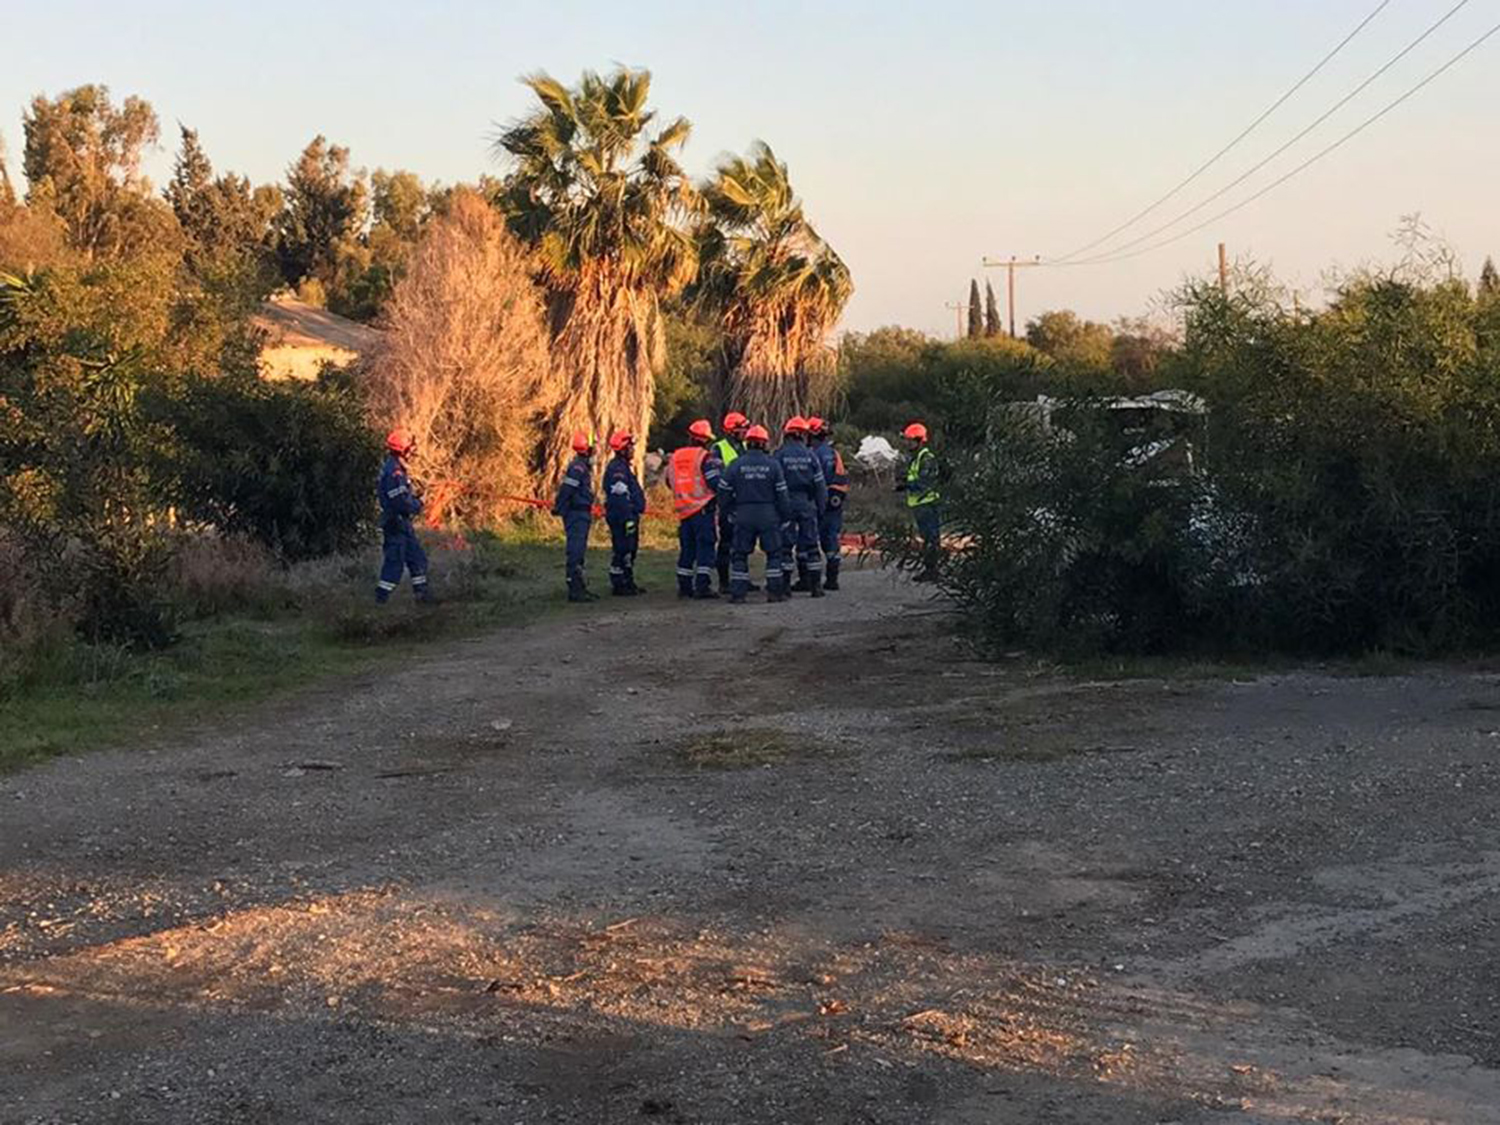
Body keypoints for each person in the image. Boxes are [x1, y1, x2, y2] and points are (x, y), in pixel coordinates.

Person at [719, 424, 791, 603]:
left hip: (743, 514)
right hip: (768, 515)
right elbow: (782, 495)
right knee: (774, 554)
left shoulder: (736, 465)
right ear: (764, 444)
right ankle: (775, 593)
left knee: (739, 555)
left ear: (748, 443)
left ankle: (738, 595)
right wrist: (785, 516)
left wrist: (728, 511)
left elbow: (723, 491)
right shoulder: (773, 465)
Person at [668, 419, 723, 599]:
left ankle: (684, 587)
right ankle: (702, 586)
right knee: (705, 548)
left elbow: (669, 481)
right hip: (703, 508)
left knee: (687, 549)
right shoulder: (705, 457)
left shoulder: (675, 456)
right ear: (706, 439)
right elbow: (714, 481)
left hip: (684, 510)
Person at [376, 428, 432, 604]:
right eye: (411, 448)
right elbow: (400, 502)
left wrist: (415, 498)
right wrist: (419, 503)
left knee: (418, 560)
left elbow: (403, 498)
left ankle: (422, 597)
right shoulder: (394, 472)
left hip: (403, 525)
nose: (413, 451)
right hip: (395, 524)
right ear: (403, 449)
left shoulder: (397, 468)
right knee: (394, 565)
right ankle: (380, 601)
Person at [774, 416, 828, 597]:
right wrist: (821, 508)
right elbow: (820, 485)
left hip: (786, 504)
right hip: (807, 503)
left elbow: (773, 484)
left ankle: (785, 587)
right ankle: (816, 587)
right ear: (801, 435)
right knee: (812, 545)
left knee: (785, 547)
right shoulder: (810, 455)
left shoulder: (779, 454)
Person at [553, 432, 598, 603]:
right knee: (576, 551)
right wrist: (560, 507)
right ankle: (575, 590)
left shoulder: (581, 467)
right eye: (593, 449)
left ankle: (580, 587)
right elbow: (567, 490)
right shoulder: (578, 468)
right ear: (586, 449)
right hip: (576, 514)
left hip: (581, 513)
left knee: (580, 552)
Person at [808, 417, 849, 591]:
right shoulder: (832, 452)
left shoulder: (816, 453)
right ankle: (832, 579)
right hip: (835, 500)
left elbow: (817, 480)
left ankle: (812, 580)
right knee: (830, 538)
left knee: (811, 538)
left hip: (822, 500)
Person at [603, 431, 647, 596]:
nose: (632, 450)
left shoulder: (623, 468)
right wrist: (628, 519)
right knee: (622, 549)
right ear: (622, 449)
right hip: (622, 516)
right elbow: (620, 497)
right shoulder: (618, 470)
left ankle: (628, 582)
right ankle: (619, 584)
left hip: (627, 515)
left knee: (630, 549)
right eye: (630, 447)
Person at [712, 411, 751, 594]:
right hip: (728, 502)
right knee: (726, 543)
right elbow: (717, 477)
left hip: (744, 502)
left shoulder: (745, 447)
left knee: (743, 543)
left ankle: (742, 578)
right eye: (742, 428)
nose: (745, 431)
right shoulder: (718, 448)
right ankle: (724, 582)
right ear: (731, 430)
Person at [898, 421, 942, 582]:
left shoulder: (926, 458)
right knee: (928, 538)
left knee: (931, 538)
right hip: (920, 504)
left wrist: (906, 485)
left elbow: (924, 482)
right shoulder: (917, 458)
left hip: (927, 504)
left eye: (910, 440)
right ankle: (930, 569)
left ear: (919, 440)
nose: (907, 443)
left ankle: (932, 570)